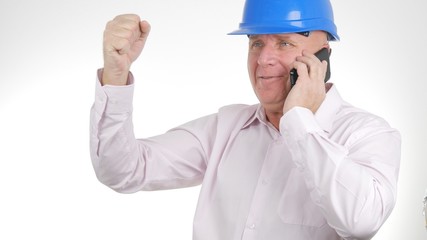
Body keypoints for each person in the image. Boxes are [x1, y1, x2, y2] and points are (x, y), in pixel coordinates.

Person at [90, 0, 401, 239]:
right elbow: (122, 170)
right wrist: (116, 76)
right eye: (256, 43)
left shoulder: (367, 134)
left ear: (322, 57)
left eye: (284, 43)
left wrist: (299, 119)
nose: (264, 59)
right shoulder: (225, 128)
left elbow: (361, 220)